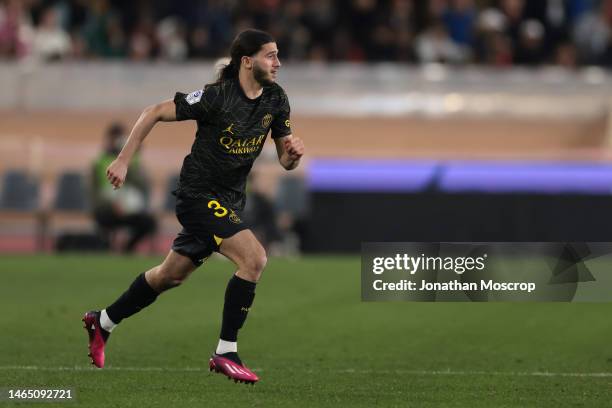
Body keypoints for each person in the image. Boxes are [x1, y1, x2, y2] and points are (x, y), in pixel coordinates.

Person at [82, 29, 305, 384]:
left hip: (229, 201)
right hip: (198, 196)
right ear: (247, 61)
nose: (278, 63)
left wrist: (291, 156)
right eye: (270, 55)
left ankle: (102, 320)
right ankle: (225, 351)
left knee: (169, 276)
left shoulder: (276, 100)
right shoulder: (217, 97)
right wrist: (123, 160)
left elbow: (284, 160)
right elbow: (153, 112)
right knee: (255, 258)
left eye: (277, 55)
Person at [91, 122, 157, 253]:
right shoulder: (99, 161)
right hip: (108, 209)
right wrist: (110, 205)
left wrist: (128, 161)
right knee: (101, 219)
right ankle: (106, 249)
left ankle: (128, 249)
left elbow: (143, 186)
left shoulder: (134, 160)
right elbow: (94, 191)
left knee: (149, 223)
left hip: (131, 209)